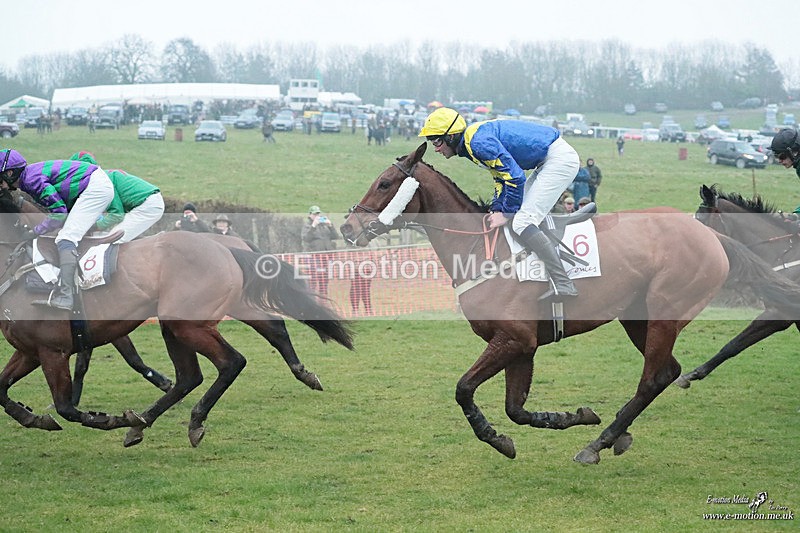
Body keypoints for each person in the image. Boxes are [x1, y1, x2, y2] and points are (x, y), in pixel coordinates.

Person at [419, 107, 579, 300]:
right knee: (518, 214)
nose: (436, 148)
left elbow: (516, 177)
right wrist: (496, 207)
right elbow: (500, 177)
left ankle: (564, 283)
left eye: (437, 141)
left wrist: (506, 213)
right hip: (546, 160)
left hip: (558, 160)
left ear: (451, 136)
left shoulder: (477, 143)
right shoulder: (471, 142)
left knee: (521, 221)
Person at [0, 148, 114, 310]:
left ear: (9, 173)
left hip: (95, 188)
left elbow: (59, 213)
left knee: (66, 238)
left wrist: (35, 231)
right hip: (93, 185)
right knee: (64, 234)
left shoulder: (32, 180)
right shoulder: (29, 178)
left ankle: (66, 295)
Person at [69, 151, 165, 243]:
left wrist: (93, 227)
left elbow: (117, 215)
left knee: (111, 241)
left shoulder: (101, 182)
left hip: (147, 206)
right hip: (147, 202)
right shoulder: (102, 176)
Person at [301, 205, 339, 297]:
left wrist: (331, 225)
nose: (317, 216)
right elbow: (306, 238)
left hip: (326, 256)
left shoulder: (325, 225)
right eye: (315, 214)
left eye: (318, 213)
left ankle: (323, 297)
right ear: (310, 215)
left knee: (324, 279)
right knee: (313, 279)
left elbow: (335, 236)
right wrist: (313, 226)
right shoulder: (307, 225)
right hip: (313, 256)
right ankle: (311, 298)